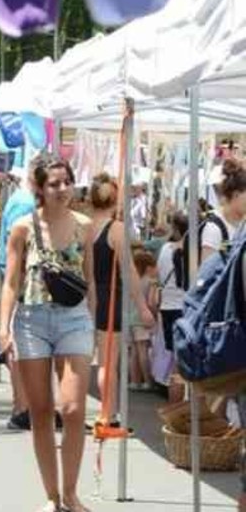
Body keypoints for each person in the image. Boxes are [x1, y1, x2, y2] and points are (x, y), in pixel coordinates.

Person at [0, 159, 97, 512]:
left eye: (67, 182)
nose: (62, 189)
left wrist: (95, 323)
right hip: (32, 320)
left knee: (72, 409)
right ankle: (52, 496)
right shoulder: (23, 228)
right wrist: (5, 329)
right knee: (40, 412)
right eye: (54, 183)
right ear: (40, 188)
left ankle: (71, 491)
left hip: (74, 319)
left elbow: (90, 280)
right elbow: (11, 281)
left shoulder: (84, 226)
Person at [88, 174, 155, 426]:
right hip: (109, 299)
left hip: (87, 298)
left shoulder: (85, 225)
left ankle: (104, 412)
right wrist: (142, 307)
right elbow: (129, 272)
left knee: (94, 360)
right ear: (115, 199)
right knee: (108, 362)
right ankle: (109, 414)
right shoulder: (115, 230)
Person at [0, 172, 39, 431]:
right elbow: (19, 247)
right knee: (20, 343)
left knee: (22, 342)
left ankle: (23, 405)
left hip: (21, 278)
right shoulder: (25, 204)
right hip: (23, 280)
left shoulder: (20, 200)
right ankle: (22, 406)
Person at [156, 212, 189, 403]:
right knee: (182, 363)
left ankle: (174, 408)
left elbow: (160, 276)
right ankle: (179, 412)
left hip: (168, 307)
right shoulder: (192, 249)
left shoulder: (165, 249)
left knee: (176, 362)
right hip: (185, 307)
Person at [129, 249, 158, 392]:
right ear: (148, 267)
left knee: (134, 352)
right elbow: (152, 302)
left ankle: (134, 381)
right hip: (143, 319)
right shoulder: (150, 282)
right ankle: (147, 381)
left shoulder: (133, 281)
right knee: (143, 351)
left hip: (131, 318)